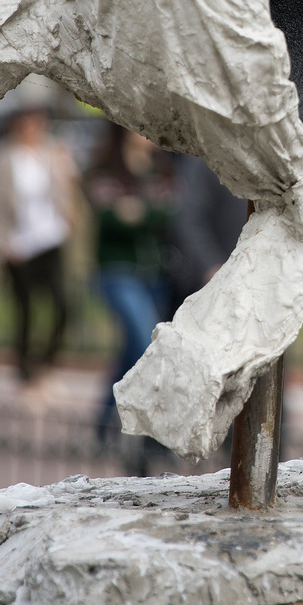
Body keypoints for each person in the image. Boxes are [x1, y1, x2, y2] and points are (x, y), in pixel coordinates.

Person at [86, 123, 177, 436]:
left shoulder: (160, 170)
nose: (149, 134)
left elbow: (170, 213)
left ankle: (102, 425)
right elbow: (109, 216)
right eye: (142, 128)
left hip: (154, 274)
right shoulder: (106, 169)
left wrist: (138, 211)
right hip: (118, 272)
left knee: (129, 355)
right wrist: (144, 211)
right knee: (146, 347)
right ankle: (151, 435)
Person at [0, 107, 79, 389]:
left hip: (50, 238)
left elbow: (69, 187)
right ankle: (24, 368)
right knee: (25, 310)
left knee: (62, 305)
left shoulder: (53, 153)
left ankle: (47, 362)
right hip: (18, 244)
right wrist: (3, 241)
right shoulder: (1, 158)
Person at [163, 153, 246, 322]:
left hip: (259, 286)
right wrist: (210, 267)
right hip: (214, 289)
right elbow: (188, 219)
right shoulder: (207, 159)